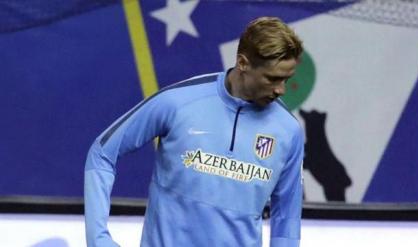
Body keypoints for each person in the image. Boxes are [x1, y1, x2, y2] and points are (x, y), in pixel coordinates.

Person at [84, 16, 304, 247]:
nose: (281, 89)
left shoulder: (288, 130)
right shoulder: (178, 102)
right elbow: (101, 153)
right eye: (272, 79)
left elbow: (286, 214)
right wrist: (98, 239)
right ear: (243, 63)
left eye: (286, 79)